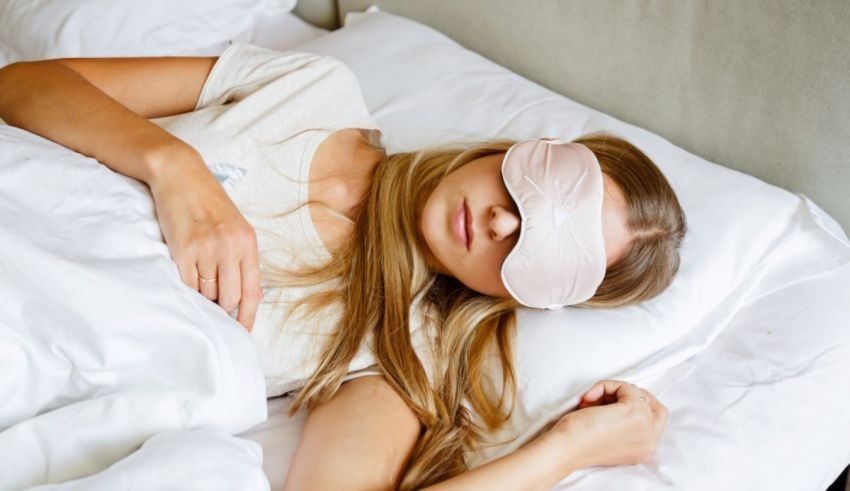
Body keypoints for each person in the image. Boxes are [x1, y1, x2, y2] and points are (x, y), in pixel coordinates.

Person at [0, 42, 686, 490]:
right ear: (533, 148)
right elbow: (22, 86)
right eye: (534, 192)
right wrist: (172, 167)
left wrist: (566, 448)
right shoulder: (313, 88)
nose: (504, 222)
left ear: (533, 298)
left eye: (539, 250)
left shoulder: (392, 352)